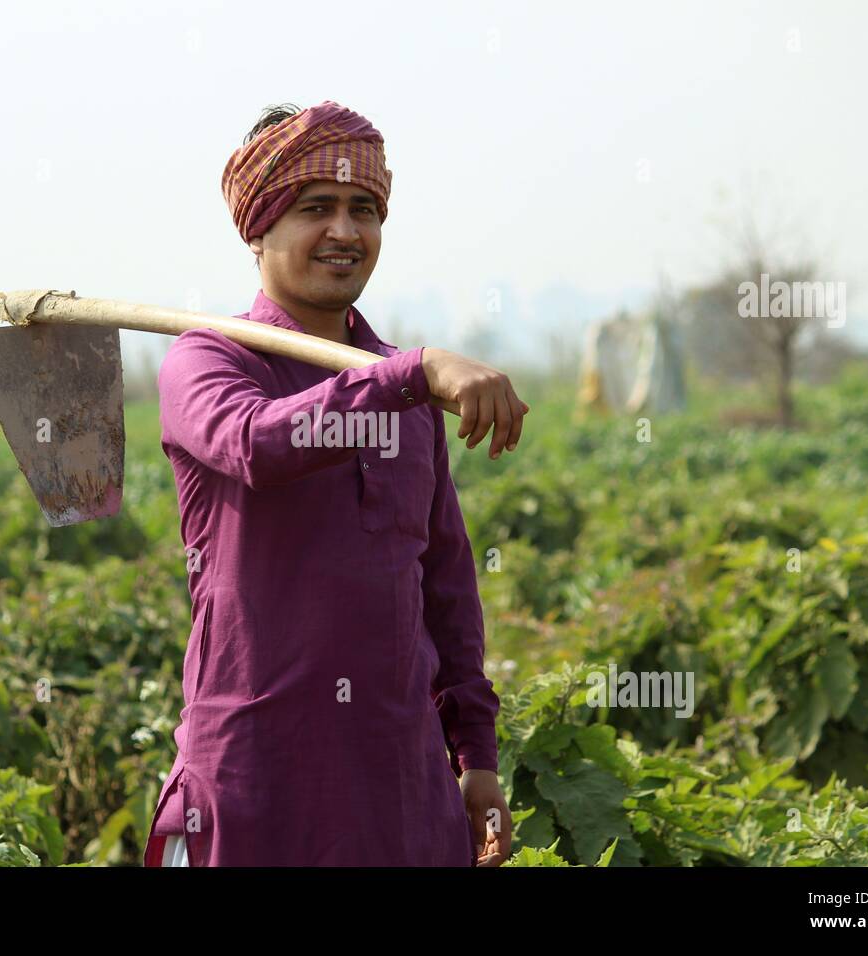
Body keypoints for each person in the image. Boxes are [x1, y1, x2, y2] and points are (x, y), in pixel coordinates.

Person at [142, 101, 528, 867]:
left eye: (365, 210)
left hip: (399, 785)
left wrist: (475, 757)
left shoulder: (406, 394)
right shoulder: (208, 361)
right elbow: (255, 443)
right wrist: (409, 375)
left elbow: (447, 586)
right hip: (255, 780)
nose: (346, 232)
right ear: (259, 228)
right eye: (316, 209)